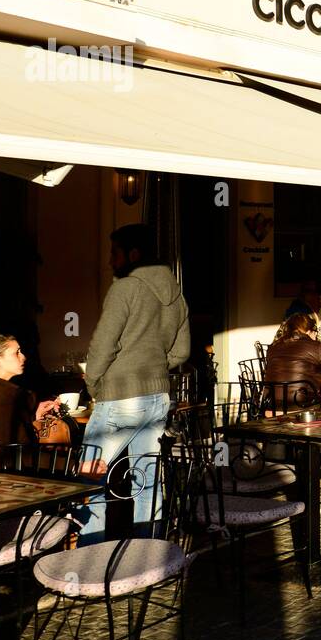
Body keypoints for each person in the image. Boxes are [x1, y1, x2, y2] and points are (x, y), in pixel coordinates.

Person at [80, 224, 190, 543]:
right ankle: (148, 558)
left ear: (133, 254)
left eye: (114, 254)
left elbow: (103, 344)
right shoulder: (176, 295)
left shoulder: (125, 289)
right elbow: (181, 351)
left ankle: (88, 562)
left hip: (119, 395)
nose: (110, 262)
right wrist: (154, 367)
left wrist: (94, 385)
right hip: (157, 396)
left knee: (91, 480)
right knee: (148, 482)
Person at [263, 311, 321, 407]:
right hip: (304, 408)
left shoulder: (273, 347)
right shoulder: (316, 347)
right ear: (309, 331)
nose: (316, 337)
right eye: (316, 333)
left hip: (271, 408)